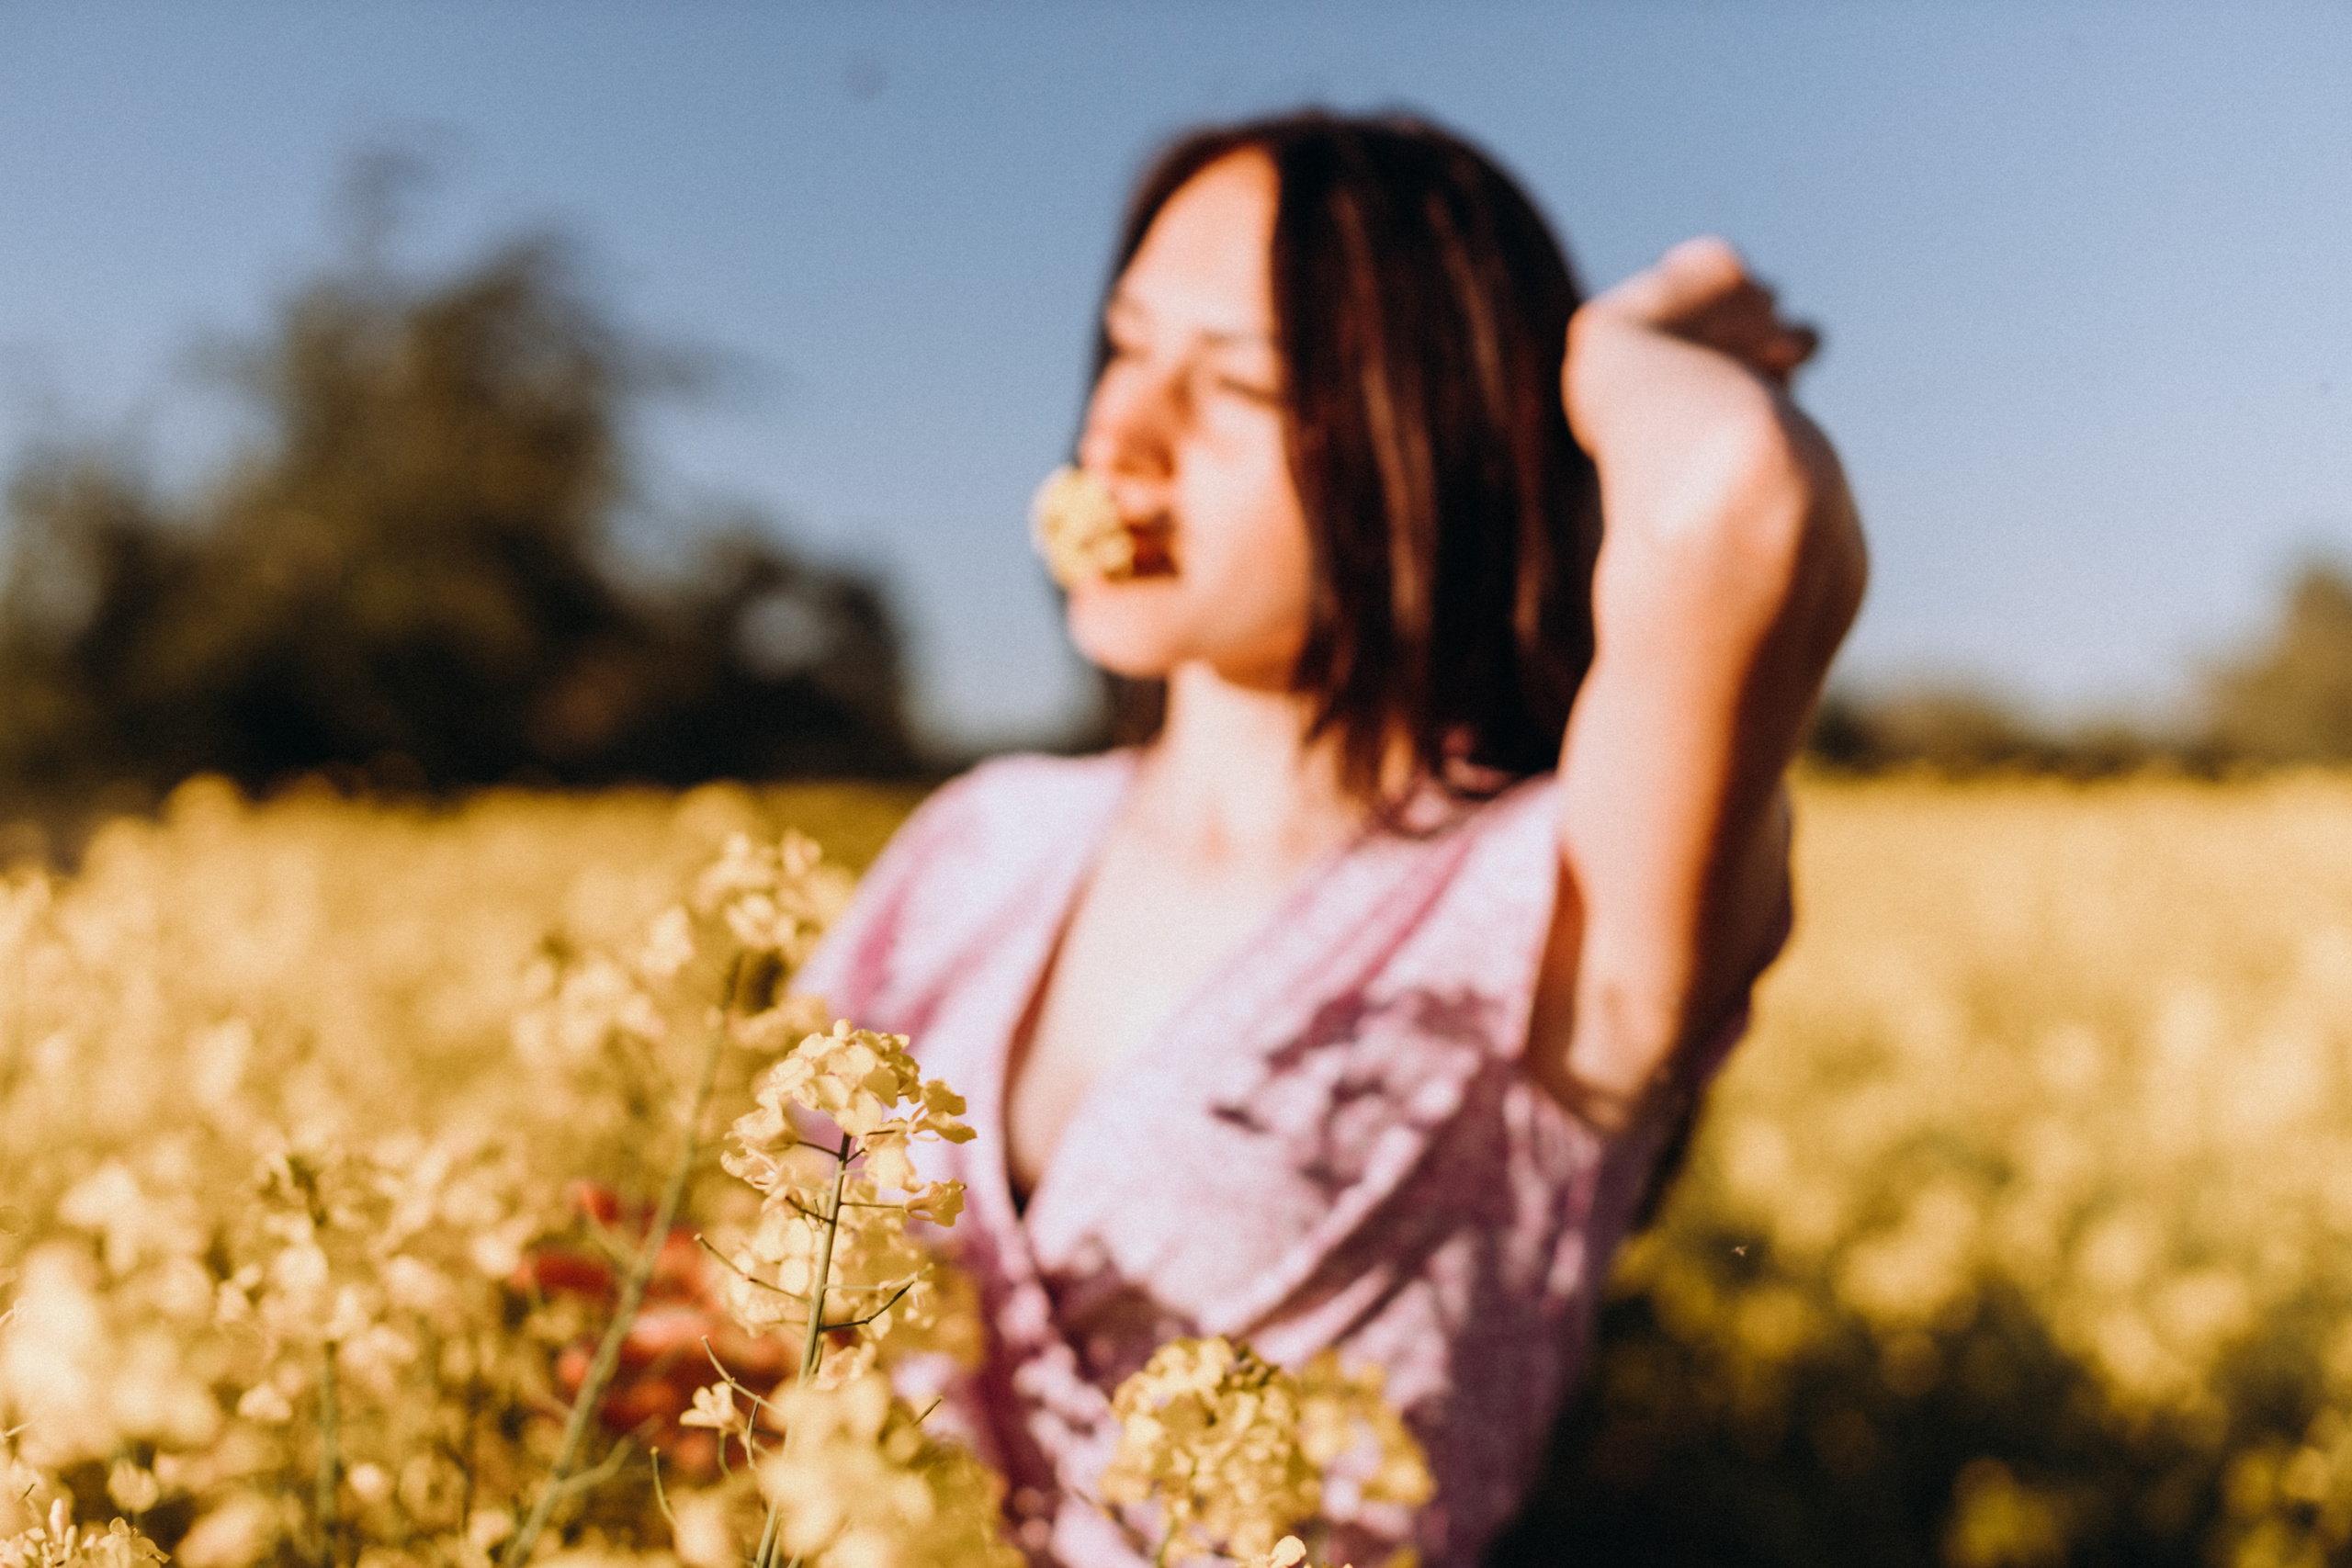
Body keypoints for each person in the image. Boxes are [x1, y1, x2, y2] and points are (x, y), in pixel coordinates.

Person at [794, 110, 1866, 1568]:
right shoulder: (978, 844)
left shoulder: (1543, 911)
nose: (1121, 432)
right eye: (1124, 347)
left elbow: (1742, 512)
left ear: (1435, 438)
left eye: (1238, 383)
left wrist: (1616, 349)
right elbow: (765, 1304)